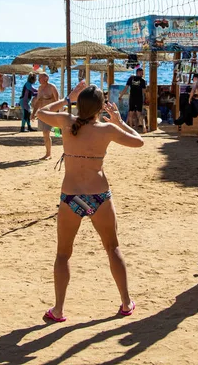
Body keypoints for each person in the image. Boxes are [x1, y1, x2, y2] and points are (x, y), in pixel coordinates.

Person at [37, 80, 143, 322]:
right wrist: (119, 121)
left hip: (72, 197)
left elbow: (40, 112)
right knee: (112, 248)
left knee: (63, 254)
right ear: (100, 107)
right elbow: (139, 141)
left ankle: (59, 310)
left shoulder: (66, 121)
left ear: (79, 104)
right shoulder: (106, 129)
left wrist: (67, 98)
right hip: (98, 196)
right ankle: (126, 303)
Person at [31, 72, 59, 159]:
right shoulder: (40, 88)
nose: (38, 80)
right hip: (43, 112)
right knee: (45, 133)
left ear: (46, 78)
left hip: (51, 112)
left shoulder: (52, 87)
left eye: (40, 78)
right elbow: (38, 102)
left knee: (49, 132)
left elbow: (57, 101)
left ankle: (48, 153)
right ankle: (48, 153)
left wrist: (57, 113)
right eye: (38, 78)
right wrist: (33, 113)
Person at [118, 67, 147, 133]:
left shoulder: (134, 79)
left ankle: (139, 127)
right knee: (133, 113)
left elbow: (144, 91)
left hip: (136, 98)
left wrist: (121, 96)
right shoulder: (140, 80)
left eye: (142, 73)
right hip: (135, 98)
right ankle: (134, 128)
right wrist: (121, 96)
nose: (142, 74)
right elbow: (144, 91)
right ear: (138, 73)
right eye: (141, 73)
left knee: (136, 113)